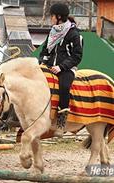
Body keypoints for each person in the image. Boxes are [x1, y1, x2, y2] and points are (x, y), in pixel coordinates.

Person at [39, 3, 83, 137]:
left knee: (64, 87)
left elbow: (77, 56)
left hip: (66, 69)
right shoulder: (52, 32)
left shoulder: (74, 34)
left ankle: (61, 122)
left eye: (51, 16)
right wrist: (43, 62)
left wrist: (61, 67)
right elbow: (44, 51)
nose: (50, 18)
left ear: (58, 17)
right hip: (49, 66)